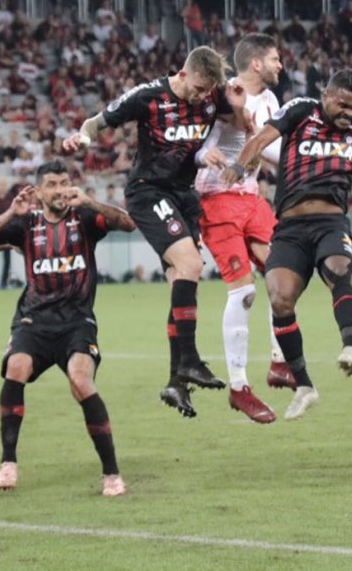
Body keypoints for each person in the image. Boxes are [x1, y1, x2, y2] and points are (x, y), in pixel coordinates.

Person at [223, 70, 352, 420]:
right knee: (280, 298)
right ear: (327, 95)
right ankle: (304, 386)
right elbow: (258, 140)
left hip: (331, 223)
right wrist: (239, 167)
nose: (349, 113)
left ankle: (351, 348)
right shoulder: (301, 110)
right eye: (344, 105)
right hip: (289, 227)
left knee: (339, 270)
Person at [64, 46, 247, 418]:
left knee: (181, 278)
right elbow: (94, 124)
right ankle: (190, 359)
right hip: (149, 191)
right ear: (183, 73)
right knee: (191, 266)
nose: (200, 97)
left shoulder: (214, 95)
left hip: (185, 196)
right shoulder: (148, 97)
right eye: (197, 88)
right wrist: (83, 139)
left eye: (206, 90)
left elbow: (245, 129)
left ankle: (175, 384)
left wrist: (239, 105)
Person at [0, 160, 135, 496]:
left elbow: (127, 223)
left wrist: (90, 201)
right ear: (39, 191)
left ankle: (111, 473)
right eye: (52, 184)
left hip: (77, 323)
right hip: (34, 322)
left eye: (64, 182)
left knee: (81, 381)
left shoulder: (84, 218)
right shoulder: (26, 224)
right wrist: (10, 213)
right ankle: (8, 463)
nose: (60, 189)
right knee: (16, 367)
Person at [193, 33, 294, 424]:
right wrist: (205, 155)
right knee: (247, 292)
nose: (279, 65)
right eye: (275, 59)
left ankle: (279, 362)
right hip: (217, 199)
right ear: (256, 64)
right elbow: (199, 145)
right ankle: (239, 388)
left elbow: (271, 150)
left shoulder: (269, 101)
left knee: (283, 276)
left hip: (252, 199)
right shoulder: (224, 95)